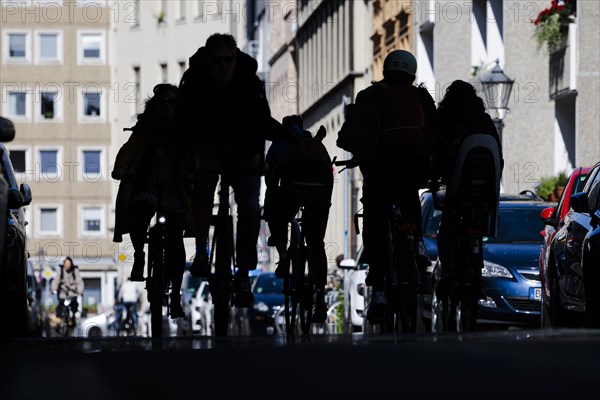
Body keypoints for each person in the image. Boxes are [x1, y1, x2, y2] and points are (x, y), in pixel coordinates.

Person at [176, 33, 279, 308]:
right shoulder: (194, 81)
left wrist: (260, 155)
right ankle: (200, 251)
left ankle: (244, 272)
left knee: (250, 206)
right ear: (207, 61)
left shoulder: (249, 81)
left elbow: (260, 119)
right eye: (217, 61)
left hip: (242, 148)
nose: (223, 66)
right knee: (201, 190)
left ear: (235, 59)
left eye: (228, 60)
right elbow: (181, 122)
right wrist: (188, 156)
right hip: (206, 145)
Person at [336, 49, 436, 324]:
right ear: (412, 73)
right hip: (412, 169)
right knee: (409, 198)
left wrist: (351, 146)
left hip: (379, 172)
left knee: (375, 220)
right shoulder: (421, 97)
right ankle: (416, 244)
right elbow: (434, 133)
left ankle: (379, 286)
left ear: (385, 71)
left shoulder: (369, 97)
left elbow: (350, 134)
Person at [112, 83, 192, 319]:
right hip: (147, 186)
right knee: (137, 215)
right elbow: (129, 149)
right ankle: (139, 254)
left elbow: (193, 155)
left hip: (175, 191)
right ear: (155, 106)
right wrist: (119, 169)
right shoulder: (146, 128)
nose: (168, 107)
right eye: (163, 102)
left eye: (173, 102)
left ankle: (175, 296)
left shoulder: (185, 131)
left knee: (176, 243)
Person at [432, 79, 504, 297]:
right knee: (479, 229)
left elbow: (436, 152)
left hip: (457, 191)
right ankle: (476, 271)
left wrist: (434, 178)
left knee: (447, 228)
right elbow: (497, 155)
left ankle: (448, 274)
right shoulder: (483, 120)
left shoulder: (444, 120)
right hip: (484, 192)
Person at [263, 115, 334, 323]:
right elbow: (328, 176)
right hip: (319, 195)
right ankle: (320, 299)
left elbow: (269, 179)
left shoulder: (278, 143)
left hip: (291, 191)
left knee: (277, 215)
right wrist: (325, 203)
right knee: (316, 243)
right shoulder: (315, 144)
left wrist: (271, 205)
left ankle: (284, 257)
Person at [51, 256, 84, 324]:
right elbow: (55, 281)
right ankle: (59, 319)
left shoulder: (75, 271)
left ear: (71, 264)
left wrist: (79, 291)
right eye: (66, 264)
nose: (67, 265)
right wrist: (54, 288)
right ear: (64, 264)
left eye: (69, 264)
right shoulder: (61, 271)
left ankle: (73, 316)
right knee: (60, 305)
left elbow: (80, 282)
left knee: (74, 302)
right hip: (63, 293)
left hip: (73, 293)